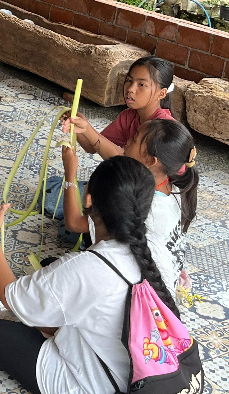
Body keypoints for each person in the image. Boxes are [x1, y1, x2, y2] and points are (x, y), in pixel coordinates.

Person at [0, 156, 178, 394]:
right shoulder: (156, 249)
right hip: (155, 389)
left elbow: (9, 295)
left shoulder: (85, 269)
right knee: (53, 286)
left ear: (88, 199)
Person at [61, 119, 198, 296]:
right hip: (164, 284)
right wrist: (86, 129)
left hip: (141, 294)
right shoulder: (174, 187)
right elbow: (120, 158)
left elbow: (73, 223)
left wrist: (69, 174)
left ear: (150, 160)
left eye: (134, 139)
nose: (127, 142)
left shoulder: (143, 204)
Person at [63, 56, 176, 159]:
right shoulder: (128, 116)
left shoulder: (164, 128)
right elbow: (91, 146)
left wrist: (87, 129)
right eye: (129, 80)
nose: (130, 89)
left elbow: (125, 162)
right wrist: (77, 124)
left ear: (161, 93)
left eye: (141, 84)